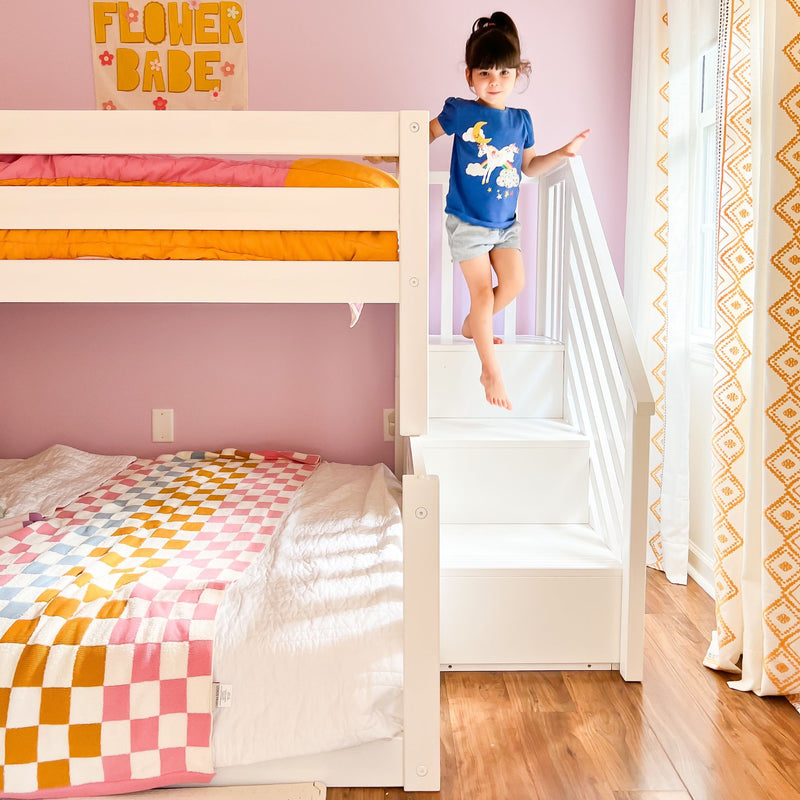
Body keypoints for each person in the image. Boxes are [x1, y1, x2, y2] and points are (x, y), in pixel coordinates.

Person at [430, 11, 589, 410]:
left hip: (505, 226)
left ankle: (473, 326)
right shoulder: (461, 112)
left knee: (514, 284)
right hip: (466, 221)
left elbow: (528, 167)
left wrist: (564, 153)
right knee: (483, 292)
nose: (494, 82)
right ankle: (490, 369)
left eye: (504, 73)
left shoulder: (521, 121)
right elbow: (424, 133)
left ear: (518, 76)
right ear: (470, 76)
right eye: (485, 73)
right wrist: (395, 154)